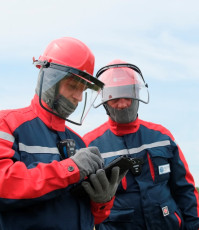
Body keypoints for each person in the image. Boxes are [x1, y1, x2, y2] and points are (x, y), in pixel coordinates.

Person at [0, 38, 124, 230]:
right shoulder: (7, 124)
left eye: (83, 89)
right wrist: (69, 169)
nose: (78, 97)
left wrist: (102, 201)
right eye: (73, 86)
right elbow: (3, 185)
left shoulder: (79, 142)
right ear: (49, 79)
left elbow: (93, 219)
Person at [83, 59, 199, 230]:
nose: (122, 104)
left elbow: (185, 190)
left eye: (127, 95)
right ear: (104, 100)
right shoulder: (90, 145)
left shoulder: (162, 136)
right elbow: (81, 206)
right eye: (114, 98)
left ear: (137, 94)